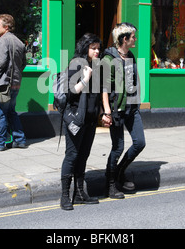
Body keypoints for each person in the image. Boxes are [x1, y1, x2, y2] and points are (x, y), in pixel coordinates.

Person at [101, 22, 146, 199]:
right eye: (133, 36)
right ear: (124, 39)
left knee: (139, 142)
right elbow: (103, 88)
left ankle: (119, 171)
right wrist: (107, 112)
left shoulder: (131, 56)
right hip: (116, 109)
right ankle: (110, 183)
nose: (135, 39)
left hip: (132, 108)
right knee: (117, 147)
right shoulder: (108, 59)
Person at [60, 33, 102, 210]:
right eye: (93, 48)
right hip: (76, 118)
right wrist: (85, 78)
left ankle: (79, 194)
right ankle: (64, 196)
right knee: (72, 155)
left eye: (98, 48)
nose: (97, 51)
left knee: (83, 155)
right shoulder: (76, 64)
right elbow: (70, 92)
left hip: (90, 119)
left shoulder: (97, 66)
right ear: (85, 48)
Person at [0, 14, 27, 151]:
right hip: (15, 83)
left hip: (3, 84)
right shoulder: (19, 42)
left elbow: (0, 62)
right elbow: (24, 63)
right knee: (11, 111)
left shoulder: (2, 41)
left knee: (0, 113)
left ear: (6, 27)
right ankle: (20, 140)